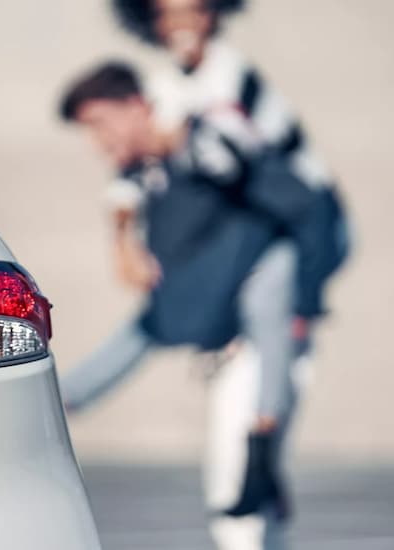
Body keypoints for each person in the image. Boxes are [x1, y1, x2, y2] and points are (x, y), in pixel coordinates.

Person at [58, 61, 345, 550]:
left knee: (241, 505)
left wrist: (306, 302)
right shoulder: (148, 173)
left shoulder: (210, 151)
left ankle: (261, 454)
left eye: (99, 124)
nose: (96, 142)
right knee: (241, 512)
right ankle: (54, 404)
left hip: (264, 344)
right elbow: (147, 315)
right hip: (227, 340)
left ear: (135, 106)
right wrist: (124, 239)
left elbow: (301, 211)